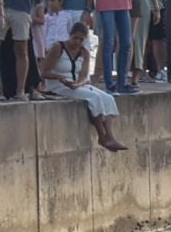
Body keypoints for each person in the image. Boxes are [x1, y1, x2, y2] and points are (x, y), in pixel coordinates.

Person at [40, 19, 127, 152]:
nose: (77, 42)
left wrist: (77, 84)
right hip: (58, 85)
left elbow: (84, 75)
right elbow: (44, 72)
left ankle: (110, 136)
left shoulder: (84, 52)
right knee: (94, 97)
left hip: (76, 84)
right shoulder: (58, 47)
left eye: (81, 39)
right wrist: (60, 77)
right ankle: (102, 136)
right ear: (70, 35)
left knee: (108, 98)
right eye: (75, 38)